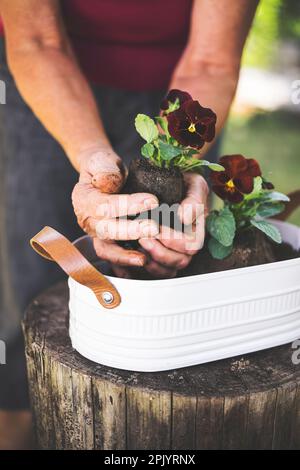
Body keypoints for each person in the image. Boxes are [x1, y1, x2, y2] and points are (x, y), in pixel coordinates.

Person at [0, 0, 258, 448]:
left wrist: (177, 168)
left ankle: (141, 427)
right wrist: (94, 164)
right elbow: (38, 40)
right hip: (44, 82)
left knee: (160, 264)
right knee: (36, 294)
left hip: (176, 89)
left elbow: (210, 59)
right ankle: (25, 415)